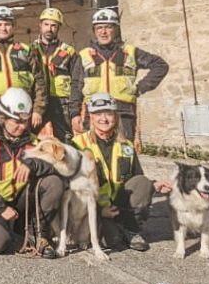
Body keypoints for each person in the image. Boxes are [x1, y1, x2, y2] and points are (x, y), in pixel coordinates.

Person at [0, 88, 61, 258]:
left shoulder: (34, 142)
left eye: (25, 121)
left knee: (53, 182)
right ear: (3, 117)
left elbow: (55, 164)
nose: (21, 126)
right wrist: (1, 208)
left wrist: (32, 164)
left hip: (19, 201)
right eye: (16, 121)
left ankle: (39, 234)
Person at [72, 93, 171, 252]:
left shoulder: (126, 145)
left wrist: (155, 185)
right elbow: (73, 187)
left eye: (108, 113)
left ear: (116, 116)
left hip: (119, 202)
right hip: (93, 205)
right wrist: (99, 210)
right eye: (98, 114)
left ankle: (130, 228)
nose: (103, 119)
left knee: (143, 183)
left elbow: (136, 177)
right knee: (113, 241)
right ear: (91, 117)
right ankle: (111, 227)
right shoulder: (77, 144)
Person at [69, 8, 169, 141]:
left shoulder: (130, 52)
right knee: (95, 154)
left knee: (123, 154)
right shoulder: (84, 55)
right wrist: (75, 113)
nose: (103, 32)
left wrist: (140, 87)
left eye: (108, 27)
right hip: (94, 112)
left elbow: (160, 65)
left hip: (123, 112)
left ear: (115, 29)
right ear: (94, 31)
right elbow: (76, 86)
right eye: (99, 28)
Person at [0, 6, 46, 128]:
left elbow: (39, 82)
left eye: (7, 24)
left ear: (13, 26)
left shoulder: (25, 50)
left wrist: (38, 110)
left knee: (23, 145)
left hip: (21, 107)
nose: (3, 28)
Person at [31, 7, 76, 140]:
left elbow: (77, 81)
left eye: (53, 25)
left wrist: (75, 107)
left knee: (65, 139)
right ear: (40, 25)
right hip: (37, 101)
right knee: (32, 137)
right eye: (46, 24)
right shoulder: (30, 49)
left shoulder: (69, 52)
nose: (49, 29)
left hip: (61, 103)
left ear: (59, 27)